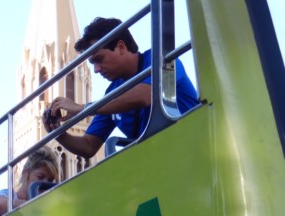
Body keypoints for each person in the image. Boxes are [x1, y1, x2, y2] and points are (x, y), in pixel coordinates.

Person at [42, 17, 199, 159]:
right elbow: (89, 146)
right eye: (93, 64)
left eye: (99, 59)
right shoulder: (111, 93)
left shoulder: (163, 58)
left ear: (121, 46)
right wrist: (57, 132)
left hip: (196, 150)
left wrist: (83, 108)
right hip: (160, 164)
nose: (96, 69)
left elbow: (145, 95)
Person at [0, 146, 60, 216]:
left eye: (50, 180)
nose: (44, 184)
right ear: (25, 173)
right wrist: (31, 206)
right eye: (40, 177)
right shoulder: (9, 195)